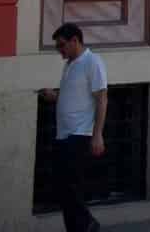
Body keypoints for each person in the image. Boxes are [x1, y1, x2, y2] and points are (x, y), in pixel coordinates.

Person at [39, 22, 107, 232]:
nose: (60, 50)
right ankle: (81, 226)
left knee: (71, 188)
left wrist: (98, 135)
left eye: (62, 45)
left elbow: (102, 99)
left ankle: (87, 225)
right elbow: (75, 97)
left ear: (75, 40)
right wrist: (55, 96)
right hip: (64, 135)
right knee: (63, 188)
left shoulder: (92, 62)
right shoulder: (70, 64)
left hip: (79, 135)